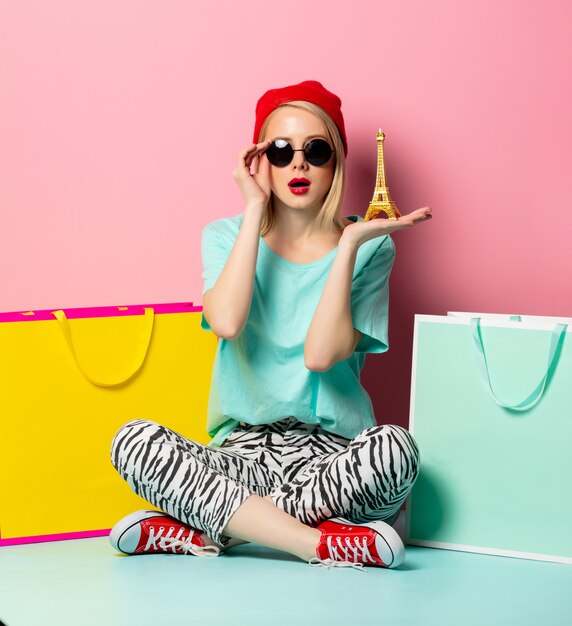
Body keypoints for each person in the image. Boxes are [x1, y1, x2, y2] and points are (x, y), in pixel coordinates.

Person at [108, 80, 432, 570]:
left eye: (316, 151)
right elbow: (227, 322)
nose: (298, 164)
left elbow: (320, 356)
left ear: (337, 162)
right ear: (260, 160)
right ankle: (316, 543)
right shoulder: (223, 237)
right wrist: (253, 208)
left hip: (331, 465)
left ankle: (224, 529)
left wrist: (347, 247)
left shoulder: (370, 247)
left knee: (396, 451)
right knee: (132, 441)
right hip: (240, 457)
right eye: (281, 151)